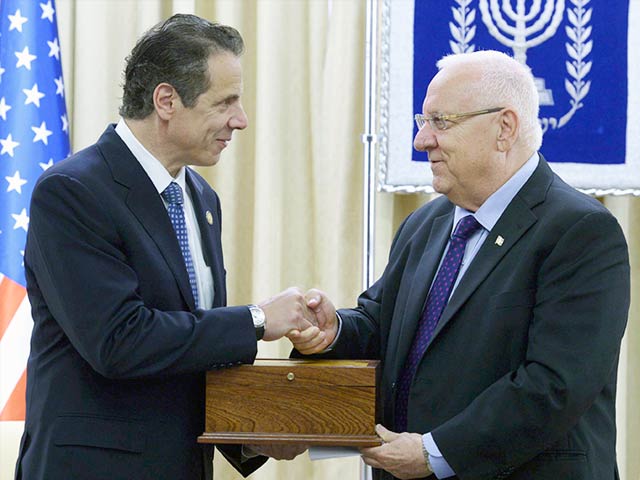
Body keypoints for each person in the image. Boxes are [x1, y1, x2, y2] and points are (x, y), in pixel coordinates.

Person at [290, 50, 630, 480]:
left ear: (504, 128)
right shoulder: (425, 223)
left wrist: (436, 452)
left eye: (441, 122)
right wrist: (333, 330)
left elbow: (554, 386)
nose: (422, 140)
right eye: (422, 121)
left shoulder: (580, 231)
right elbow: (382, 325)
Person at [16, 14, 313, 480]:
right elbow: (119, 341)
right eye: (226, 102)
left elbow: (189, 348)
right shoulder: (73, 191)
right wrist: (256, 320)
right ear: (167, 100)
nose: (241, 120)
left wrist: (249, 433)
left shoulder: (201, 198)